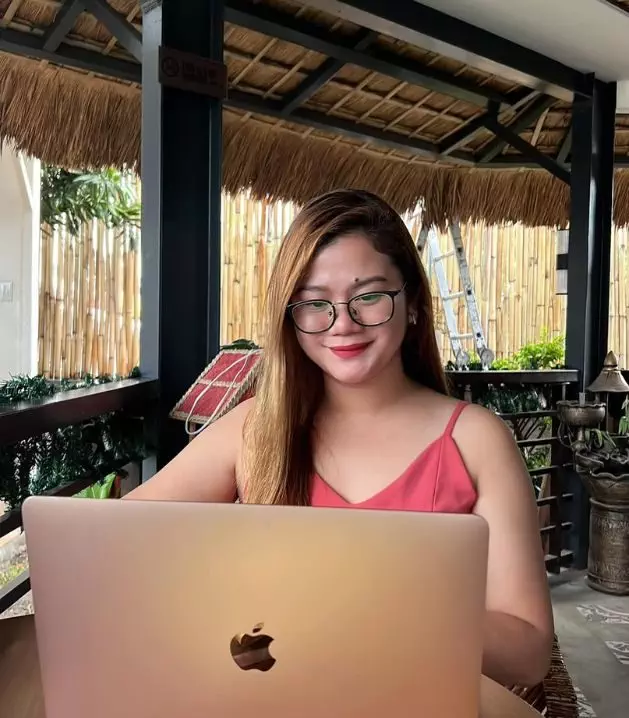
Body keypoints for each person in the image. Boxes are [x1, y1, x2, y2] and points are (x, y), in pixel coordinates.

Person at [127, 189, 553, 690]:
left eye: (369, 295)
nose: (342, 324)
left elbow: (528, 654)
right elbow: (115, 543)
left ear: (412, 301)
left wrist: (383, 604)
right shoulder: (252, 431)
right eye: (314, 303)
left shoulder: (476, 441)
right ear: (291, 316)